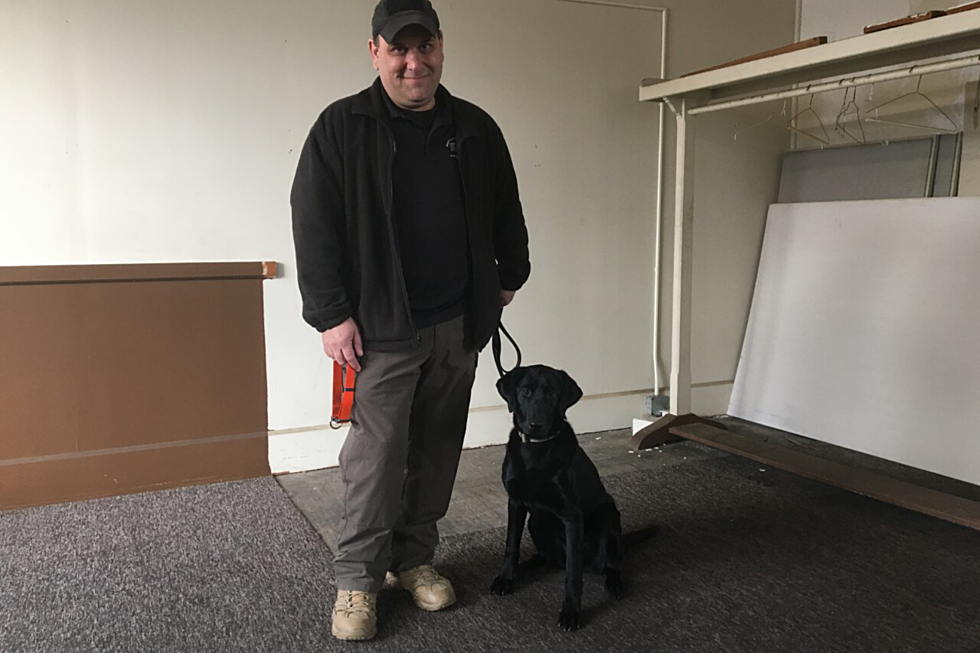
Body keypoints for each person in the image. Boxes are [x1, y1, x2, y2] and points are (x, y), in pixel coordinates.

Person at [290, 0, 530, 641]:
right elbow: (313, 224)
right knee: (375, 458)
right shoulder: (341, 127)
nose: (413, 62)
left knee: (436, 449)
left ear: (442, 49)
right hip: (379, 329)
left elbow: (506, 204)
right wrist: (331, 314)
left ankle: (414, 559)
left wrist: (509, 275)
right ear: (375, 52)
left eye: (424, 48)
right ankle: (358, 583)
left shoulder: (475, 127)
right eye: (399, 49)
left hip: (456, 323)